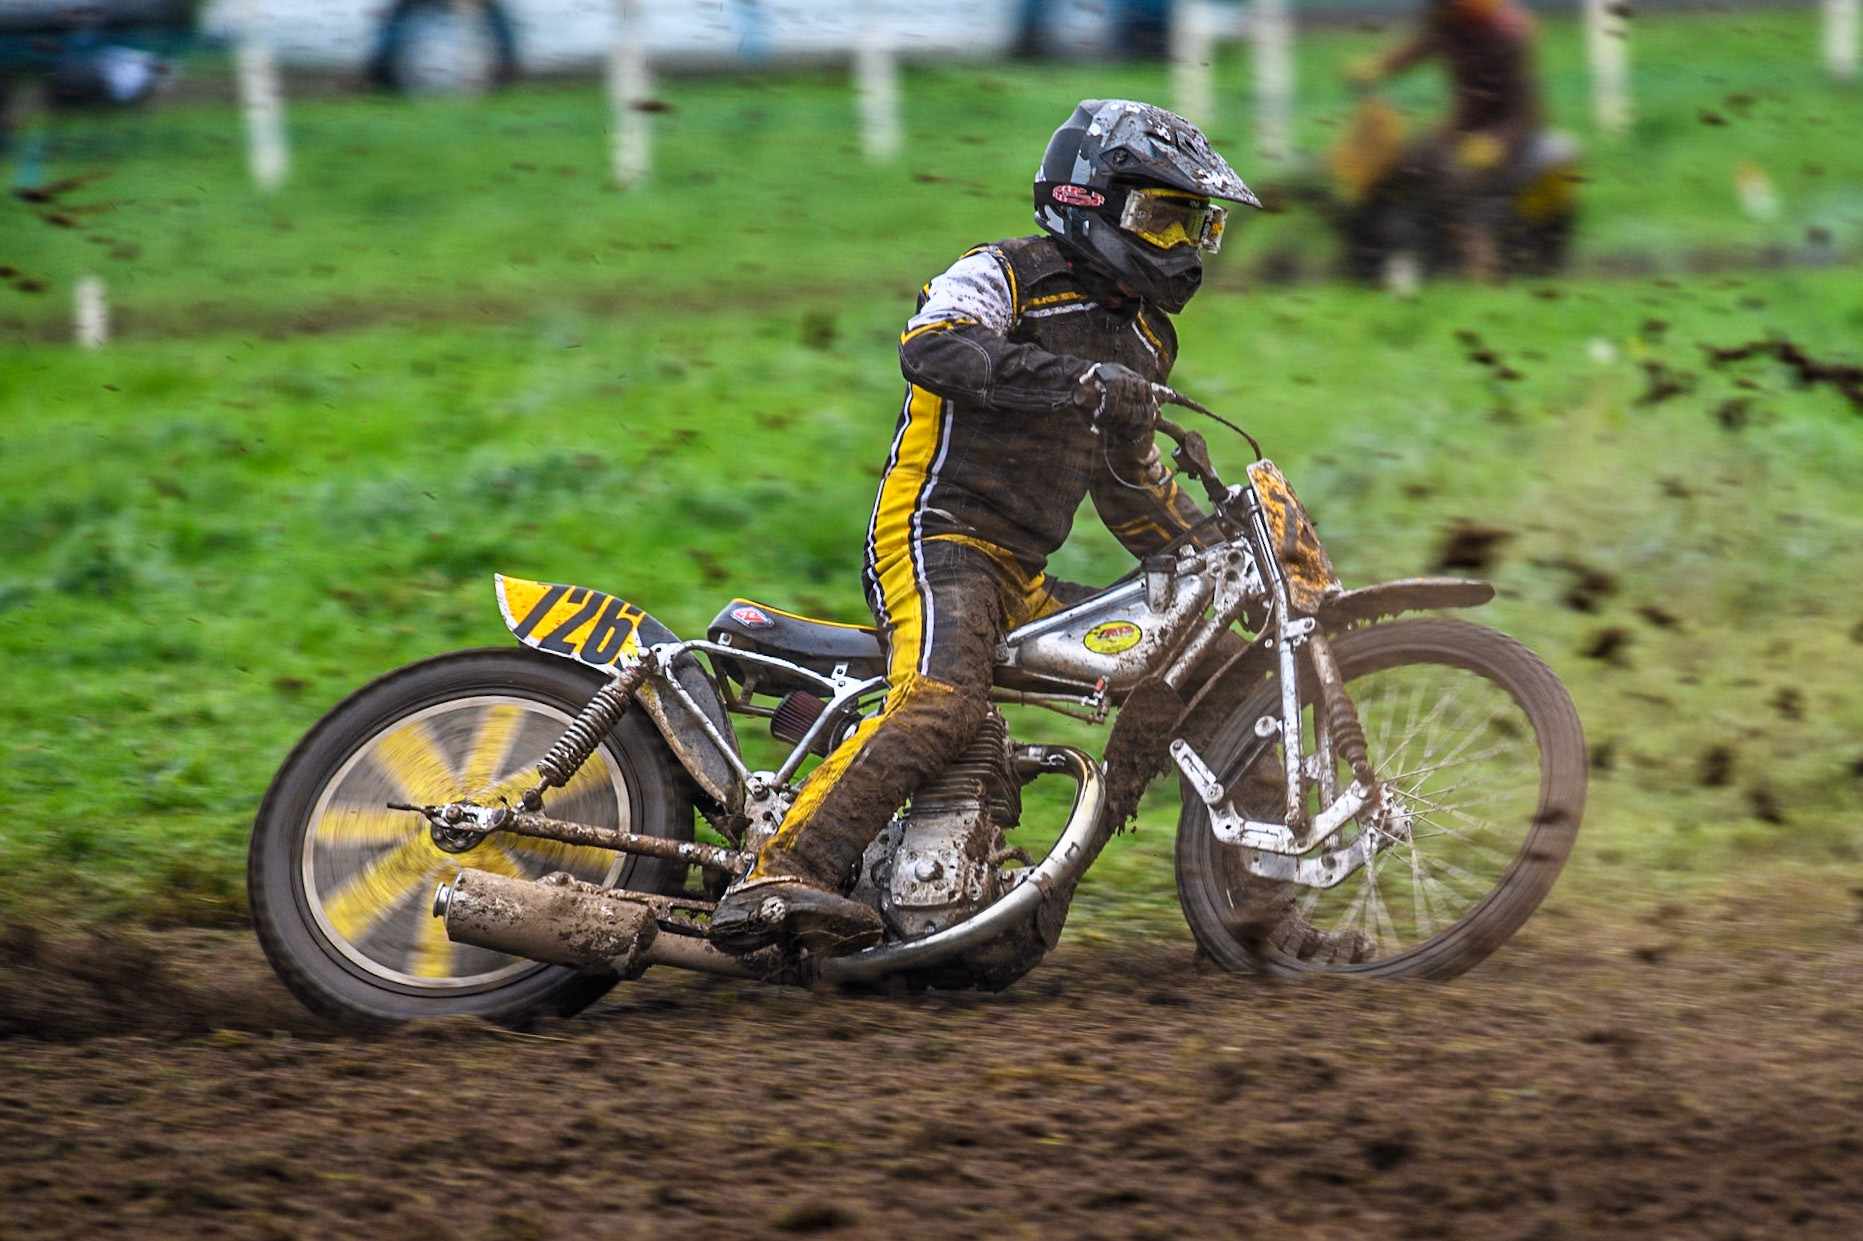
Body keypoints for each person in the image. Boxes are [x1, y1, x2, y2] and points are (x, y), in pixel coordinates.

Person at [710, 99, 1260, 956]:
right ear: (1087, 200)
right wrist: (1078, 381)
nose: (1181, 247)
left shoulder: (1147, 337)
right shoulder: (1001, 273)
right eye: (1160, 217)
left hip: (1023, 575)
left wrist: (1218, 565)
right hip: (937, 538)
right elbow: (935, 349)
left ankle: (1259, 915)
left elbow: (1126, 486)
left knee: (1217, 666)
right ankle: (783, 872)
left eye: (1195, 226)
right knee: (941, 702)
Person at [1350, 0, 1544, 279]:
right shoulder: (1450, 23)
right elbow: (1419, 47)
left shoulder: (1507, 32)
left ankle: (1479, 267)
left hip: (1508, 136)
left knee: (1454, 181)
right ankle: (1371, 256)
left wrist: (1497, 141)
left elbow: (1527, 113)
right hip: (1462, 129)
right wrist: (1379, 66)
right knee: (1400, 165)